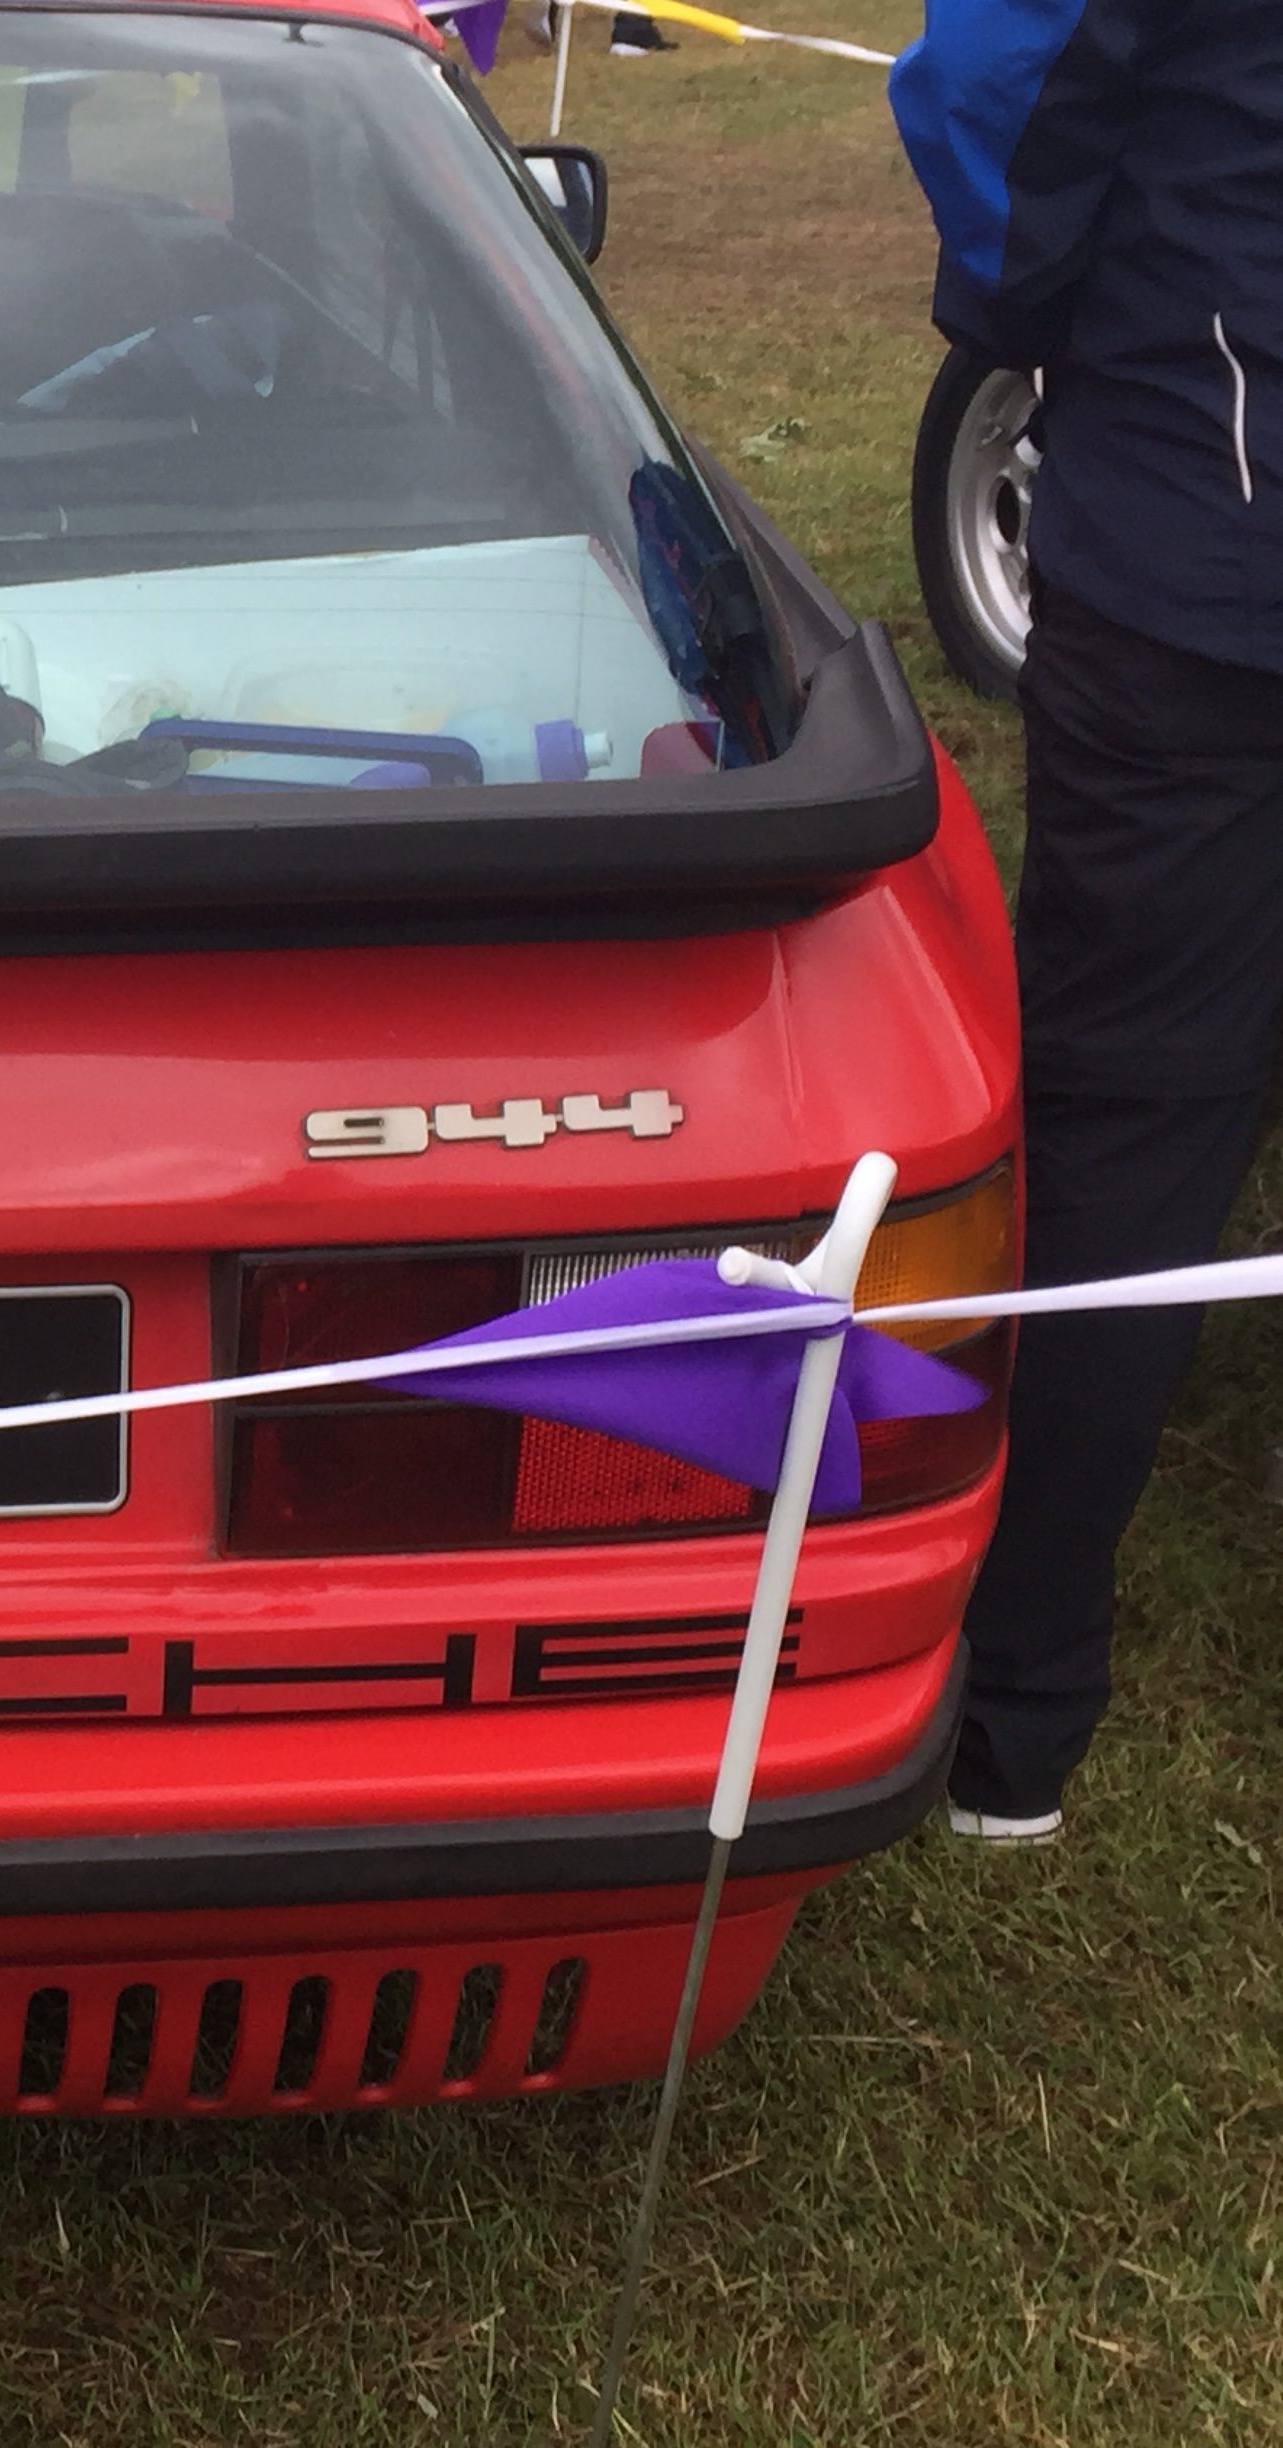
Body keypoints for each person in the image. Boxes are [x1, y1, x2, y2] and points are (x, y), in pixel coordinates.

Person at [891, 3, 1283, 1843]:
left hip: (1201, 551)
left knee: (1126, 1117)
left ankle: (1012, 1710)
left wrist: (1016, 308)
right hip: (1197, 519)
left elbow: (988, 84)